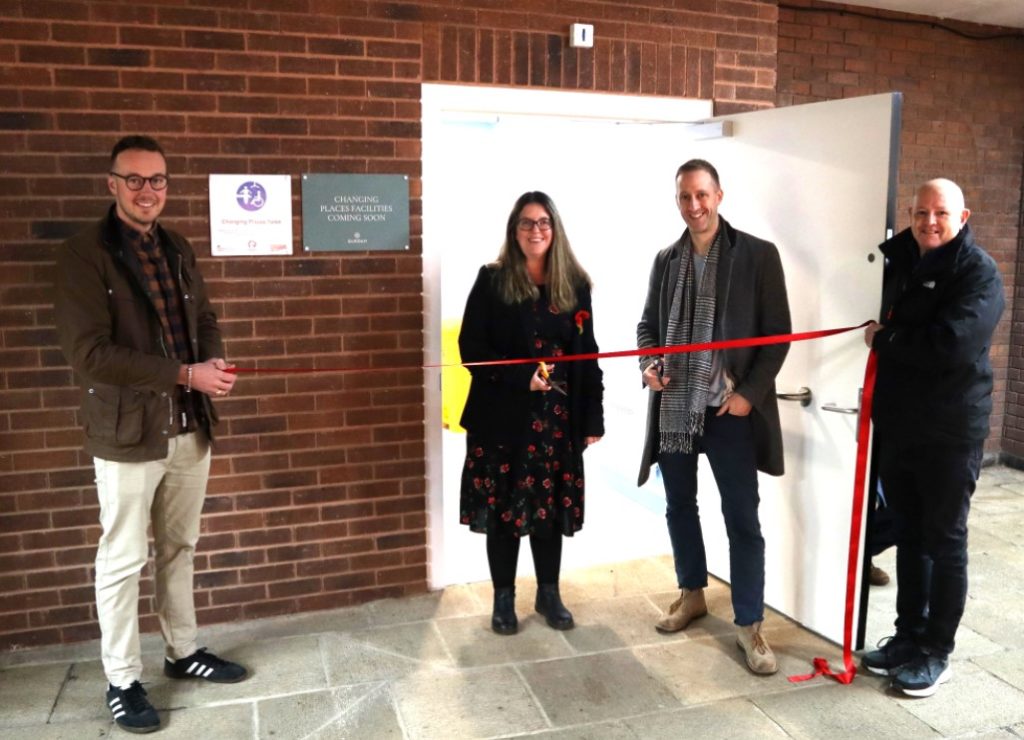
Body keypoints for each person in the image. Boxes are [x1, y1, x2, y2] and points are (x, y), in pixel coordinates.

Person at [54, 135, 247, 734]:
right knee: (122, 557)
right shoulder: (84, 255)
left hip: (190, 427)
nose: (147, 190)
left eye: (157, 179)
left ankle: (182, 651)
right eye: (134, 179)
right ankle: (121, 679)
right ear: (112, 184)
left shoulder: (179, 248)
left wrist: (210, 370)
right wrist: (185, 373)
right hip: (128, 435)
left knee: (179, 546)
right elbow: (91, 356)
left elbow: (205, 319)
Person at [636, 159, 791, 675]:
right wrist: (649, 365)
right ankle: (692, 593)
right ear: (677, 200)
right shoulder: (665, 259)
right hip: (676, 407)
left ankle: (749, 623)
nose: (694, 206)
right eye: (685, 197)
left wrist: (748, 394)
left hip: (728, 410)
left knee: (742, 519)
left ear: (719, 195)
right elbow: (647, 327)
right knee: (680, 506)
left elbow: (778, 335)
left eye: (702, 195)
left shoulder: (757, 256)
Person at [861, 178, 1004, 697]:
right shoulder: (903, 261)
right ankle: (907, 637)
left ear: (962, 216)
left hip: (950, 432)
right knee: (910, 536)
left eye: (940, 213)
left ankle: (936, 651)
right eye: (920, 213)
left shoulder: (978, 272)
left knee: (944, 541)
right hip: (902, 427)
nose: (929, 222)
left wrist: (887, 339)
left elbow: (951, 346)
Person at [458, 191, 604, 635]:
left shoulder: (575, 284)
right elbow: (472, 349)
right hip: (503, 418)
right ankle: (504, 599)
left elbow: (588, 354)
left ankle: (548, 593)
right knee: (505, 510)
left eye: (543, 222)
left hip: (557, 422)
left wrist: (592, 417)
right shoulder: (493, 280)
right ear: (514, 230)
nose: (535, 230)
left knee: (547, 509)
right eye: (526, 223)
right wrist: (522, 376)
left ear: (554, 229)